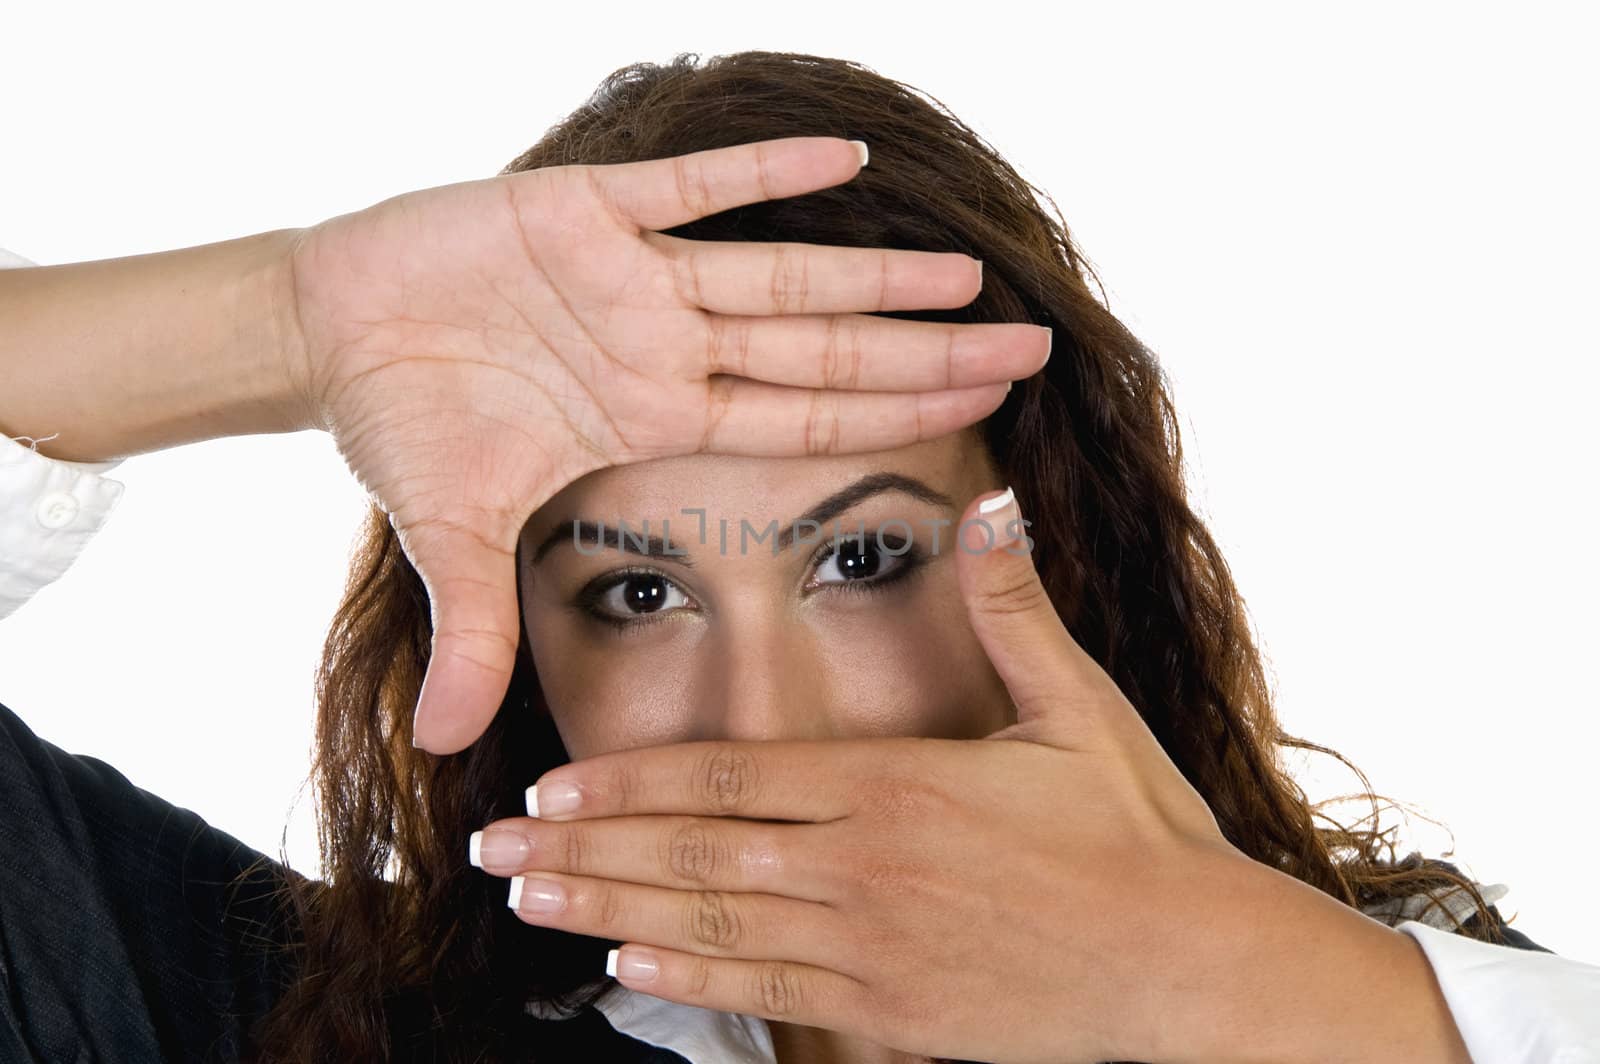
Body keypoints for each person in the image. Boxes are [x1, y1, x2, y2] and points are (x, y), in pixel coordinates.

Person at [3, 49, 1597, 1064]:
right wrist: (279, 322)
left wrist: (1253, 998)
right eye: (636, 593)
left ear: (1072, 558)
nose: (759, 723)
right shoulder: (279, 1025)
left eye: (861, 564)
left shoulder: (1381, 1021)